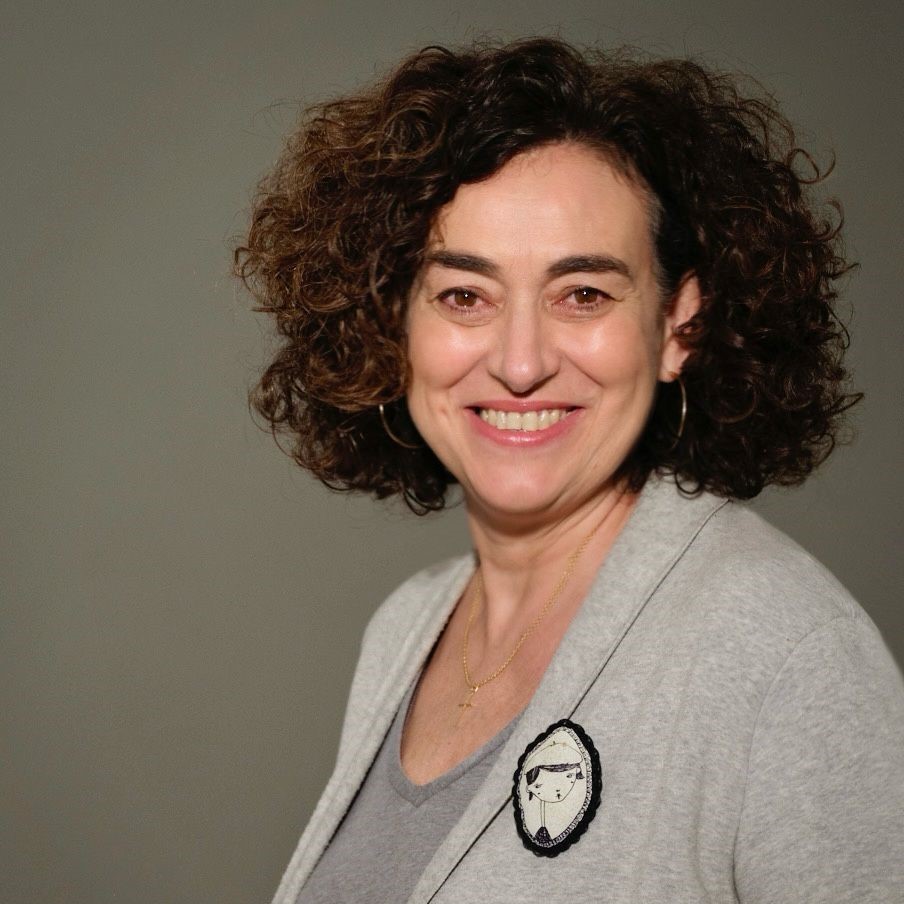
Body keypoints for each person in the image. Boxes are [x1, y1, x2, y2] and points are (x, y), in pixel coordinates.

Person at [234, 37, 904, 904]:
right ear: (393, 324)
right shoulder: (406, 629)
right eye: (464, 296)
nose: (521, 363)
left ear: (678, 326)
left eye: (583, 294)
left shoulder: (782, 649)